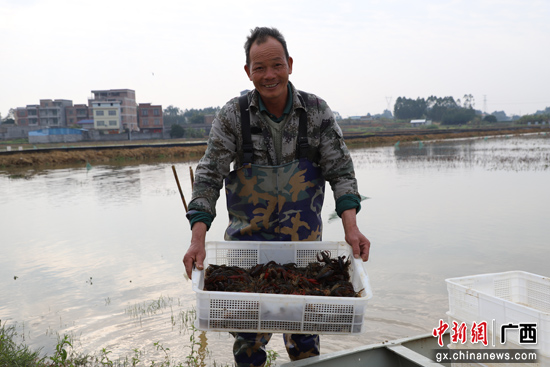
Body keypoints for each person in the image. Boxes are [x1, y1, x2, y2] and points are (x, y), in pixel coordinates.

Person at [183, 26, 370, 367]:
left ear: (290, 64)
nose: (269, 75)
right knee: (248, 345)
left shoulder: (316, 112)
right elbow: (209, 176)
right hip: (247, 255)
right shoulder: (233, 116)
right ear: (248, 71)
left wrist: (351, 229)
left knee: (305, 344)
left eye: (277, 65)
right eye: (260, 68)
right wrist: (198, 239)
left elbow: (341, 173)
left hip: (304, 256)